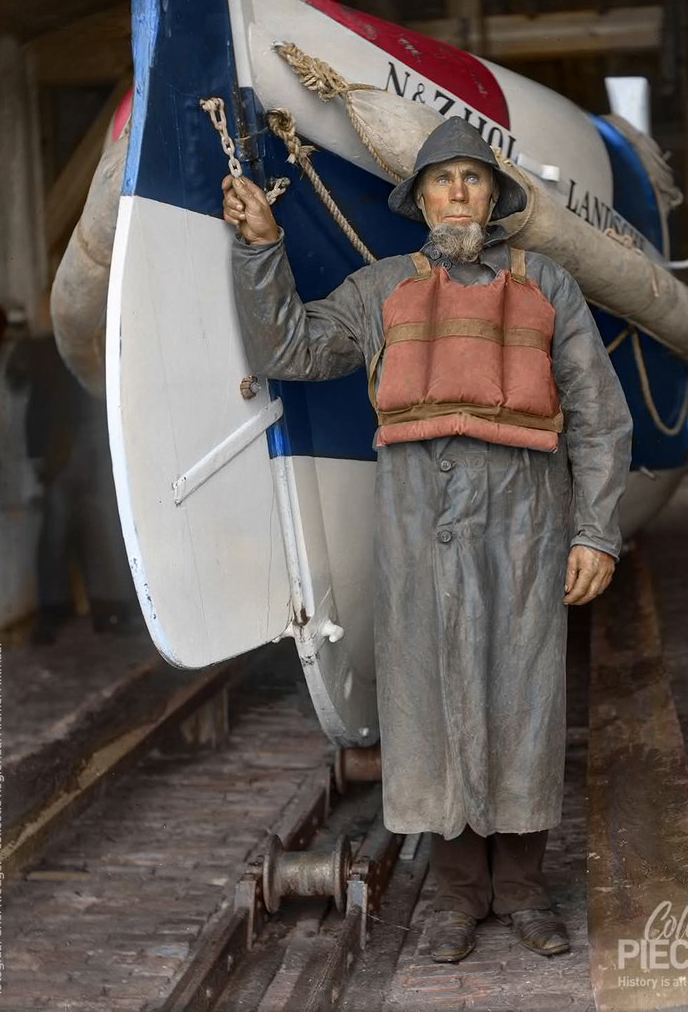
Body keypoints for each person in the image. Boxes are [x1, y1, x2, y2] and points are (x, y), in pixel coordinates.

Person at [224, 117, 633, 963]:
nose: (457, 193)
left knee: (523, 698)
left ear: (494, 197)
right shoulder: (381, 291)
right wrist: (262, 249)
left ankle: (520, 893)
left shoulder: (548, 285)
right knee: (426, 702)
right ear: (418, 202)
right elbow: (291, 349)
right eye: (441, 181)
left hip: (525, 516)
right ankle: (454, 899)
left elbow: (599, 417)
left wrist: (595, 529)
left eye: (472, 180)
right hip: (415, 521)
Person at [5, 297, 139, 643]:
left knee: (98, 531)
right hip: (64, 452)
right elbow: (17, 379)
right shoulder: (46, 346)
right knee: (61, 532)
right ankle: (62, 611)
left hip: (89, 447)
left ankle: (108, 610)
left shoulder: (94, 343)